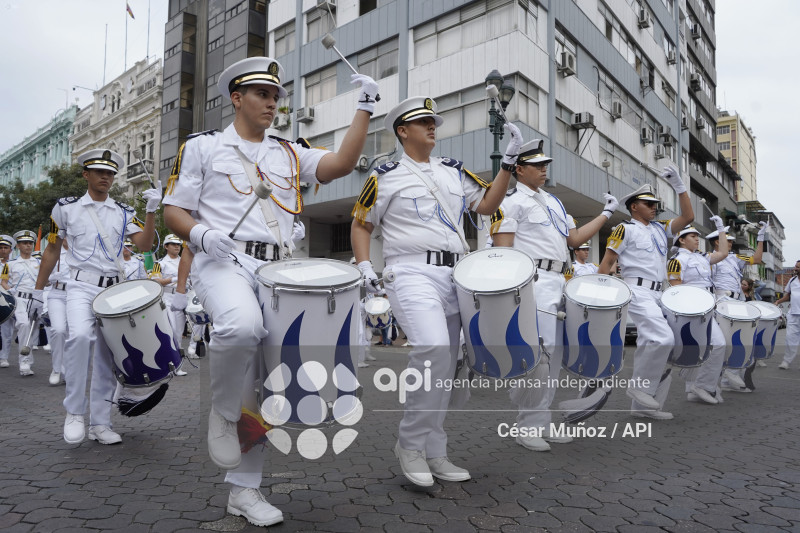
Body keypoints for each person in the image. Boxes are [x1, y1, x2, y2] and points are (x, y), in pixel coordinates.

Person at [163, 56, 376, 527]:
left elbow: (341, 164)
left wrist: (364, 106)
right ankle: (223, 413)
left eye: (276, 95)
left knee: (263, 381)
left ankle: (244, 489)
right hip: (223, 259)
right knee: (241, 327)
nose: (272, 102)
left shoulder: (290, 152)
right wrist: (200, 235)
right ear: (236, 98)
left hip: (277, 267)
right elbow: (174, 210)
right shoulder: (202, 147)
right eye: (262, 94)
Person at [351, 96, 513, 486]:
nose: (432, 126)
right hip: (410, 271)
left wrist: (508, 163)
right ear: (402, 131)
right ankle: (409, 444)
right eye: (423, 121)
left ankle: (435, 450)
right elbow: (361, 223)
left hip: (455, 274)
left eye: (433, 121)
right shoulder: (385, 175)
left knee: (450, 363)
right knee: (434, 349)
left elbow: (487, 205)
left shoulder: (454, 171)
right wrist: (364, 266)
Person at [490, 140, 618, 451]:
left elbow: (574, 240)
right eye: (537, 165)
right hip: (533, 280)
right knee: (540, 354)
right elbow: (503, 250)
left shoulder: (555, 202)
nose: (544, 169)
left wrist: (605, 214)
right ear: (519, 169)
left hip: (561, 279)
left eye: (545, 164)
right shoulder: (510, 202)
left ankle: (542, 420)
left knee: (556, 355)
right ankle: (527, 425)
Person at [33, 149, 160, 445]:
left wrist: (152, 211)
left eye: (110, 173)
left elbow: (144, 245)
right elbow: (52, 249)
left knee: (108, 354)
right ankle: (74, 412)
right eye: (100, 172)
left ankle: (100, 423)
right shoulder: (65, 208)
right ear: (86, 175)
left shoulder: (124, 211)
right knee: (78, 337)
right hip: (80, 286)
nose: (106, 177)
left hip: (113, 289)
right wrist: (39, 291)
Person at [597, 166, 694, 420]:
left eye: (655, 204)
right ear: (633, 207)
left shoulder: (660, 229)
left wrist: (679, 186)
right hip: (637, 290)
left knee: (663, 345)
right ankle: (639, 388)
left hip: (660, 293)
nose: (654, 207)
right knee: (662, 338)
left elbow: (688, 217)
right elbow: (607, 263)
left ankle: (645, 407)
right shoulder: (624, 229)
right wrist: (600, 296)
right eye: (648, 204)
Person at [666, 223, 731, 405]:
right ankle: (703, 386)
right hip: (694, 309)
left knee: (706, 347)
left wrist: (721, 230)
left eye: (697, 236)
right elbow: (676, 288)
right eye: (693, 236)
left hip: (709, 306)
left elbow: (723, 253)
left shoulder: (702, 257)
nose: (697, 239)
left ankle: (695, 388)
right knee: (715, 344)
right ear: (681, 240)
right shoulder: (677, 260)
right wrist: (688, 310)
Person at [1, 230, 41, 376]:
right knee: (23, 325)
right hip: (19, 299)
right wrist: (10, 290)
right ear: (18, 246)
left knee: (33, 331)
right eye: (24, 243)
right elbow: (3, 282)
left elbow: (45, 280)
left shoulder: (39, 262)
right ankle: (24, 362)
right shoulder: (10, 264)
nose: (28, 246)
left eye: (30, 243)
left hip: (36, 299)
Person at [150, 234, 188, 376]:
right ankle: (167, 364)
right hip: (167, 298)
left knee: (178, 332)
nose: (177, 246)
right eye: (173, 244)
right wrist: (174, 278)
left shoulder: (185, 261)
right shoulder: (159, 263)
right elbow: (156, 281)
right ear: (166, 246)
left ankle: (177, 365)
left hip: (182, 296)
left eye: (178, 244)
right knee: (169, 331)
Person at [708, 221, 767, 300]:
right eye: (728, 241)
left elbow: (757, 259)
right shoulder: (709, 258)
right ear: (717, 242)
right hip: (721, 299)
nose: (731, 243)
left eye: (731, 241)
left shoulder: (734, 257)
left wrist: (760, 237)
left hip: (737, 299)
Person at [43, 238, 70, 385]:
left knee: (73, 335)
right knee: (58, 330)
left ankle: (68, 371)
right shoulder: (55, 253)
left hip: (76, 295)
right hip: (57, 294)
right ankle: (56, 368)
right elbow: (43, 279)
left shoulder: (84, 253)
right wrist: (52, 277)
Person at [775, 260, 800, 370]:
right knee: (790, 339)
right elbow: (788, 296)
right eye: (795, 266)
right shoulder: (792, 280)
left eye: (798, 267)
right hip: (793, 314)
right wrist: (778, 302)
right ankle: (786, 361)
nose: (795, 268)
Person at [0, 234, 15, 368]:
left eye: (5, 247)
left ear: (11, 250)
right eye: (1, 248)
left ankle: (3, 357)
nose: (3, 250)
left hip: (8, 300)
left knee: (6, 331)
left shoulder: (14, 264)